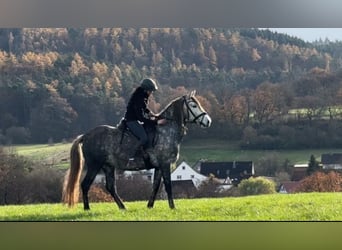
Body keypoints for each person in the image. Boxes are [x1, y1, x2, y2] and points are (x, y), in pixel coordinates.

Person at [124, 78, 166, 167]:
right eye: (151, 91)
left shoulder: (142, 96)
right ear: (146, 90)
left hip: (136, 119)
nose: (152, 93)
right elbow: (141, 118)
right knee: (144, 138)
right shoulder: (139, 98)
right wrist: (156, 122)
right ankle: (131, 157)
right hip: (131, 121)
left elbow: (145, 108)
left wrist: (153, 115)